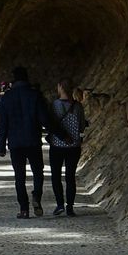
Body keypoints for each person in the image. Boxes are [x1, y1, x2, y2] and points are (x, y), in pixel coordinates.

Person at [0, 66, 49, 218]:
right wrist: (57, 133)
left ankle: (24, 209)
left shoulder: (6, 98)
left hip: (15, 143)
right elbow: (44, 119)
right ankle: (37, 196)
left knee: (19, 176)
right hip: (33, 140)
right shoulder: (35, 95)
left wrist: (1, 146)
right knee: (38, 171)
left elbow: (3, 124)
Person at [45, 80, 89, 217]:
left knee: (56, 176)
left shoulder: (53, 106)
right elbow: (82, 126)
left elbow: (50, 124)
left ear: (60, 88)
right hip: (73, 146)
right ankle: (70, 206)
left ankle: (59, 204)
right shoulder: (78, 106)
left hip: (57, 145)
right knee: (70, 177)